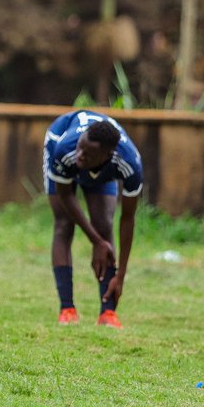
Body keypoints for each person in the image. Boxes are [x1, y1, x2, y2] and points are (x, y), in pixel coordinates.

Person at [43, 110, 142, 330]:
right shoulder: (66, 149)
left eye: (87, 154)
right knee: (63, 224)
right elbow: (66, 196)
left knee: (104, 225)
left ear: (107, 155)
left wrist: (122, 275)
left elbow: (127, 219)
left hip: (104, 170)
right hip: (59, 141)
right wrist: (95, 241)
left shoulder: (129, 164)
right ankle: (67, 309)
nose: (80, 155)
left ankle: (107, 312)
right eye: (80, 148)